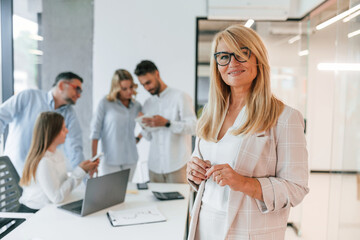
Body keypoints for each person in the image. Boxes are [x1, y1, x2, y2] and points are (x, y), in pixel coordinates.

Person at [186, 24, 309, 240]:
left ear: (257, 59)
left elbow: (296, 188)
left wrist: (244, 183)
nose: (232, 63)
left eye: (242, 54)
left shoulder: (285, 118)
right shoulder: (209, 114)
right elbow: (202, 167)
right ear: (217, 64)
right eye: (224, 56)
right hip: (205, 226)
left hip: (249, 231)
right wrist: (194, 172)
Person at [0, 72, 85, 175]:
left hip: (41, 176)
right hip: (14, 171)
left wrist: (85, 176)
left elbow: (74, 148)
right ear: (62, 85)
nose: (79, 95)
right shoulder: (28, 97)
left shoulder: (69, 114)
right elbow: (1, 117)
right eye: (77, 89)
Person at [19, 112, 98, 211]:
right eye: (63, 129)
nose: (67, 131)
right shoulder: (44, 162)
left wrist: (83, 170)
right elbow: (57, 198)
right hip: (37, 213)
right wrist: (80, 171)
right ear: (52, 132)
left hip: (50, 208)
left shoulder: (57, 154)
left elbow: (62, 186)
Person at [134, 60, 196, 183]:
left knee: (179, 203)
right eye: (143, 85)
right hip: (154, 168)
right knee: (155, 203)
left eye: (148, 82)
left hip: (178, 166)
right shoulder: (147, 104)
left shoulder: (180, 97)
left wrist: (167, 123)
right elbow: (148, 137)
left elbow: (194, 127)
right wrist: (143, 124)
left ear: (157, 74)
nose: (147, 88)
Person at [90, 69, 141, 180]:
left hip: (131, 159)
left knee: (127, 192)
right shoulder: (105, 103)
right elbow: (95, 132)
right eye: (124, 88)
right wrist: (93, 159)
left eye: (131, 87)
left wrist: (138, 138)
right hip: (111, 159)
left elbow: (147, 125)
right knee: (111, 195)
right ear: (116, 88)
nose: (129, 91)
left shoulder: (137, 106)